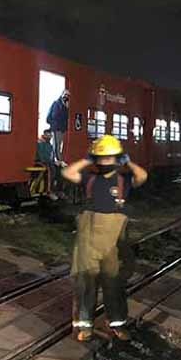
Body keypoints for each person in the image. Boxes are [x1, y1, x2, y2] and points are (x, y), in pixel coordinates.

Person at [62, 135, 148, 342]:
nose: (104, 162)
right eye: (100, 158)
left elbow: (142, 176)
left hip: (113, 243)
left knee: (114, 285)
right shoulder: (90, 178)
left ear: (117, 158)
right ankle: (85, 327)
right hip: (88, 243)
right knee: (85, 284)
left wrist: (128, 163)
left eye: (109, 158)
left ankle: (117, 324)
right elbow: (67, 172)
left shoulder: (123, 180)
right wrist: (87, 159)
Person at [46, 89, 69, 164]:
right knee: (57, 145)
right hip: (57, 128)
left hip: (61, 129)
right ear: (62, 94)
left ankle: (52, 161)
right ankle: (58, 160)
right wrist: (65, 108)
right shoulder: (57, 104)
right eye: (65, 95)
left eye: (68, 95)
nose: (66, 97)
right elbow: (54, 116)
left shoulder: (65, 105)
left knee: (58, 145)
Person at [35, 129, 58, 200]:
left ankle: (58, 190)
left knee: (60, 169)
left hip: (49, 162)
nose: (49, 136)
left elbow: (52, 156)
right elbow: (41, 156)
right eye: (48, 135)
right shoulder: (40, 143)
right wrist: (52, 162)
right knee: (50, 170)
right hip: (41, 162)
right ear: (44, 135)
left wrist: (57, 162)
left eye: (50, 135)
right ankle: (49, 191)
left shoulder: (49, 145)